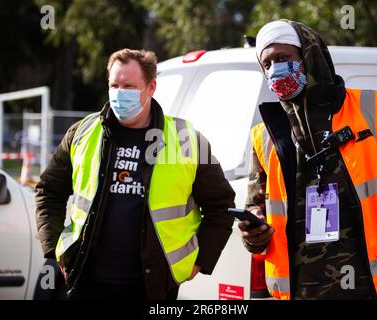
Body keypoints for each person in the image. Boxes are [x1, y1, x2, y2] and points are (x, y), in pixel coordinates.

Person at [239, 20, 377, 300]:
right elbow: (255, 212)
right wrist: (253, 231)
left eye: (283, 58)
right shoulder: (266, 135)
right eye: (267, 64)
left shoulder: (376, 112)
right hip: (299, 292)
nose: (275, 69)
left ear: (309, 55)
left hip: (375, 289)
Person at [35, 48, 235, 300]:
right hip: (85, 279)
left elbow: (222, 207)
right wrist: (53, 249)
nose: (119, 94)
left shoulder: (186, 140)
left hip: (151, 286)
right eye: (114, 85)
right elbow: (48, 191)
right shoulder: (82, 133)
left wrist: (200, 262)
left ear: (151, 88)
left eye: (128, 86)